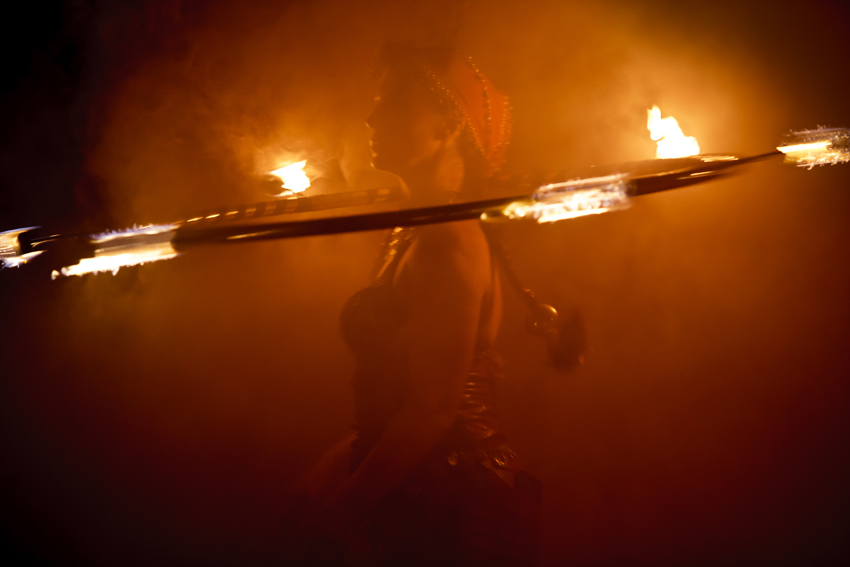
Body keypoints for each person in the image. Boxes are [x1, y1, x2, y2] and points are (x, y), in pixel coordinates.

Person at [295, 44, 541, 567]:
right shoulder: (411, 231)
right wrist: (327, 475)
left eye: (392, 104)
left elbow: (430, 413)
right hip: (420, 498)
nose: (370, 117)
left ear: (447, 126)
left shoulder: (447, 243)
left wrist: (334, 516)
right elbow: (395, 398)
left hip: (460, 511)